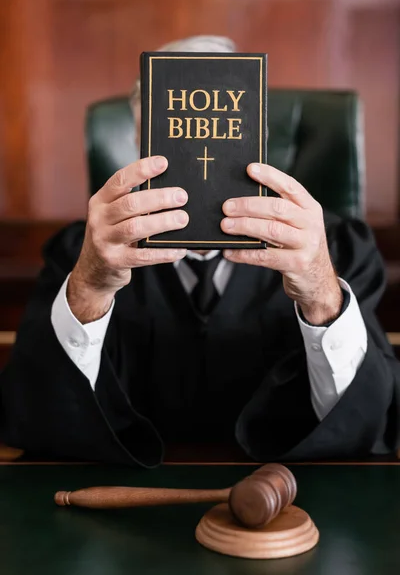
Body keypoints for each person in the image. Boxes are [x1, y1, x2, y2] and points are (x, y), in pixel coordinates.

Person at [1, 36, 399, 467]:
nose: (200, 153)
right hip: (135, 503)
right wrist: (88, 291)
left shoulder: (338, 249)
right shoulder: (81, 254)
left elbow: (375, 425)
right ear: (135, 143)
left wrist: (322, 294)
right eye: (164, 134)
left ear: (260, 137)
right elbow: (31, 419)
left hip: (287, 498)